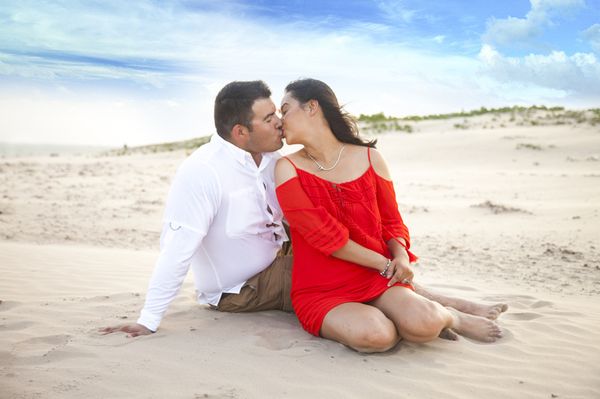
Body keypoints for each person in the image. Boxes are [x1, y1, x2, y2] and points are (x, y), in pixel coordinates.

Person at [101, 80, 506, 339]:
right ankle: (442, 310)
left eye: (279, 112)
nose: (278, 122)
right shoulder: (203, 171)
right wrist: (148, 319)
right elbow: (177, 246)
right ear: (241, 132)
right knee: (334, 262)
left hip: (285, 258)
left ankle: (433, 310)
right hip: (245, 288)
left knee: (341, 254)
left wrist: (391, 249)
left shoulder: (267, 161)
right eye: (268, 117)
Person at [275, 78, 504, 352]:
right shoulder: (286, 167)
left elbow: (392, 222)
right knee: (377, 336)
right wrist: (386, 265)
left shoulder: (370, 157)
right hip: (322, 290)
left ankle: (452, 316)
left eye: (285, 109)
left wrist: (401, 257)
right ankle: (410, 319)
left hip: (377, 279)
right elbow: (325, 237)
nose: (280, 120)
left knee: (424, 323)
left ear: (312, 107)